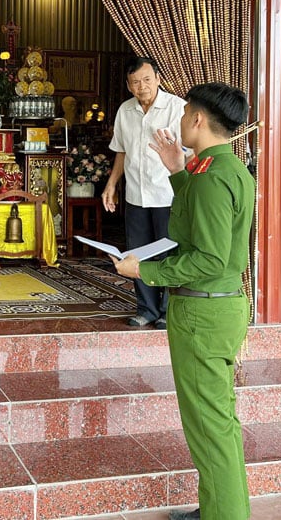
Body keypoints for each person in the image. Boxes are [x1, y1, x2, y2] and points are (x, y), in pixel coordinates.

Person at [110, 83, 254, 520]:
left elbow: (207, 257)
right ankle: (218, 507)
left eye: (185, 110)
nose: (179, 118)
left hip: (204, 311)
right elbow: (204, 226)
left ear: (196, 119)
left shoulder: (212, 176)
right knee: (214, 421)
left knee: (210, 426)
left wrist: (145, 272)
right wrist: (178, 170)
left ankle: (225, 516)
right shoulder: (218, 168)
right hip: (215, 307)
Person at [102, 57, 186, 329]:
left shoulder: (176, 108)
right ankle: (146, 309)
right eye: (136, 82)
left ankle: (167, 310)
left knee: (167, 254)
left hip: (168, 195)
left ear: (159, 79)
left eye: (147, 80)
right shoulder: (125, 111)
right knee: (137, 253)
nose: (142, 86)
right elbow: (121, 151)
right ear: (128, 86)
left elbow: (190, 152)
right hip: (136, 195)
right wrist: (112, 184)